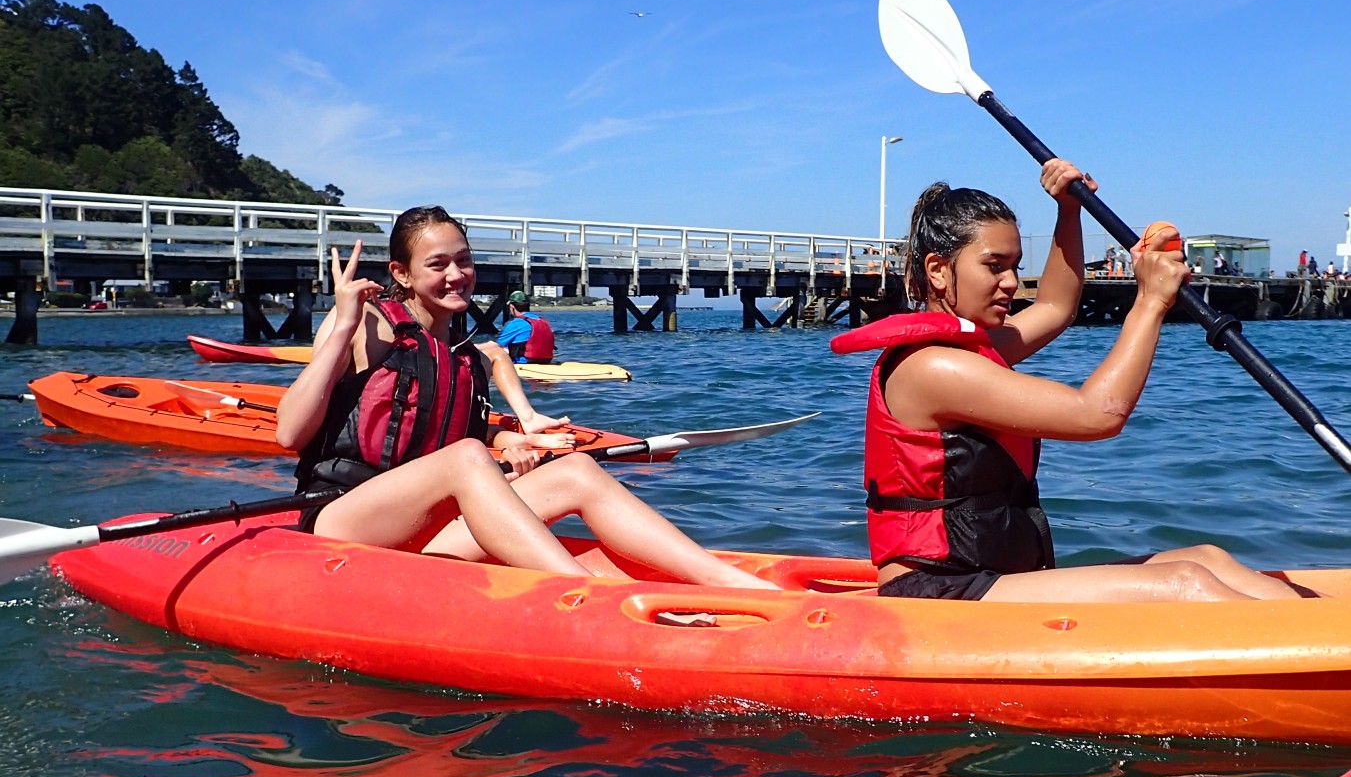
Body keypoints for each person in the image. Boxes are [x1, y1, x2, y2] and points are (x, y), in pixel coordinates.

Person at [831, 160, 1313, 603]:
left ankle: (1321, 630)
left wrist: (1068, 210)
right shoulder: (933, 368)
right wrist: (1149, 303)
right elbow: (1097, 415)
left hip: (997, 579)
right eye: (993, 266)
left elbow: (1057, 306)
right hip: (938, 591)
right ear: (938, 270)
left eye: (1016, 266)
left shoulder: (978, 349)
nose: (1011, 283)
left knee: (1206, 558)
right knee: (1183, 583)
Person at [275, 206, 768, 590]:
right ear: (401, 274)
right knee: (468, 458)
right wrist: (340, 324)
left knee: (575, 471)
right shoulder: (365, 323)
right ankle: (583, 596)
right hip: (344, 517)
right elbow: (289, 432)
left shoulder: (462, 352)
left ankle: (729, 583)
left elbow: (434, 426)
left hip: (425, 526)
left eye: (463, 261)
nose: (455, 274)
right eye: (437, 264)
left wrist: (508, 437)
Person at [496, 291, 555, 363]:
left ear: (512, 307)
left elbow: (497, 346)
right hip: (546, 362)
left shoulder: (515, 324)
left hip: (523, 363)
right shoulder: (543, 321)